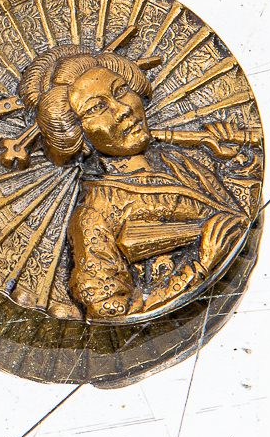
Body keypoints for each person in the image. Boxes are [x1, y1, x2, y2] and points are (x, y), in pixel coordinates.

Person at [18, 45, 251, 320]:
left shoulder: (177, 160)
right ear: (77, 135)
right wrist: (201, 265)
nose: (123, 110)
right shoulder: (93, 216)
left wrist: (236, 159)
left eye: (120, 91)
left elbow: (241, 211)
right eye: (97, 107)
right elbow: (110, 308)